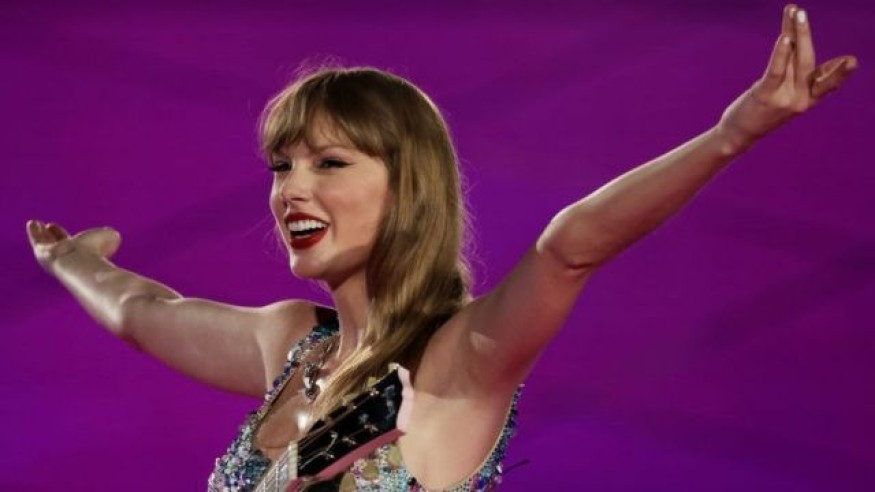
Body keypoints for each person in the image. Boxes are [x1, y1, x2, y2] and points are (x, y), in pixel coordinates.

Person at [26, 5, 856, 491]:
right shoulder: (288, 344)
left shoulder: (457, 362)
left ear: (406, 187)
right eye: (281, 166)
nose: (290, 190)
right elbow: (144, 311)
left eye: (329, 163)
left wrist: (729, 136)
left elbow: (568, 248)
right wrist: (74, 261)